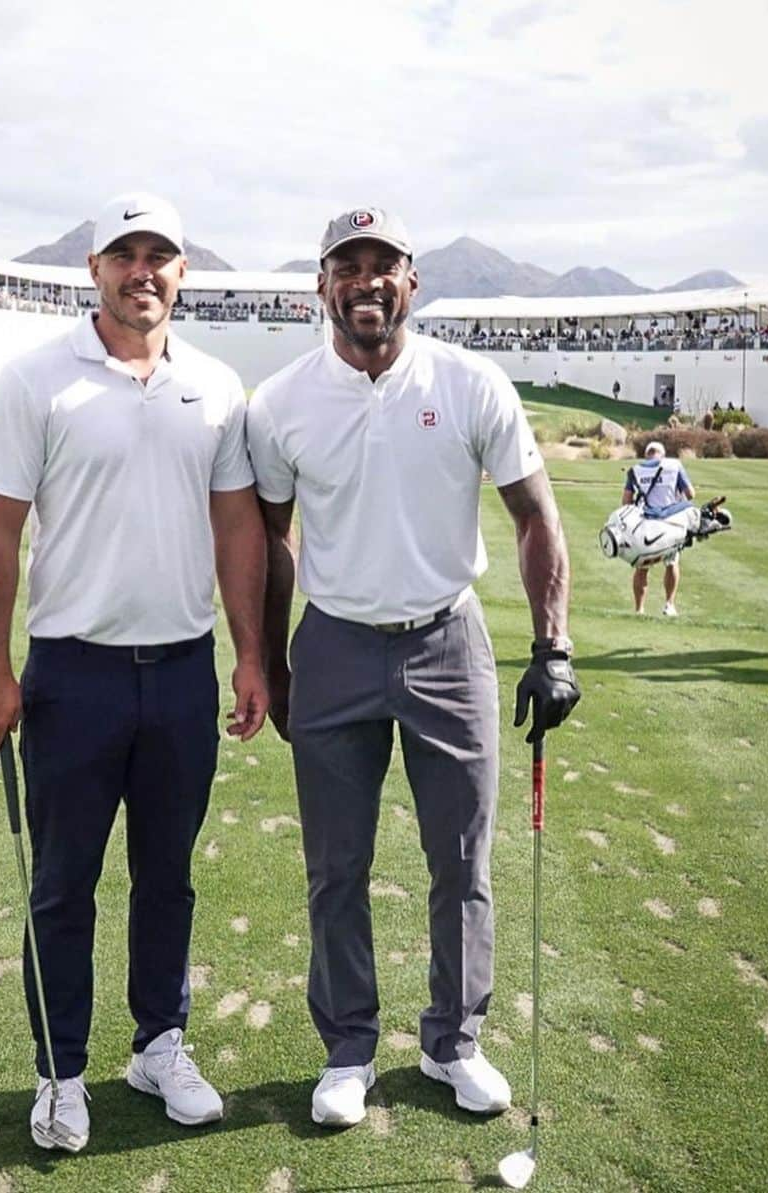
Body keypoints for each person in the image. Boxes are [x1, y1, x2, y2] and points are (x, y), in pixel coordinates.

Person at [246, 207, 580, 1129]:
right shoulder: (280, 403)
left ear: (411, 281)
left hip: (448, 642)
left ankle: (452, 1043)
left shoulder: (471, 385)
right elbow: (271, 538)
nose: (365, 281)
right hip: (335, 643)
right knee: (336, 866)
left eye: (382, 264)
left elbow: (536, 516)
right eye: (345, 266)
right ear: (321, 286)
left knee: (464, 861)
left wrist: (552, 644)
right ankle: (348, 1048)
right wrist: (267, 659)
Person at [0, 192, 268, 1153]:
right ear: (93, 267)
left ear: (183, 271)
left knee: (167, 878)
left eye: (162, 255)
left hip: (181, 669)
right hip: (72, 675)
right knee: (63, 883)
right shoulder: (36, 381)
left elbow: (235, 527)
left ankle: (158, 1043)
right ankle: (60, 1073)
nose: (145, 270)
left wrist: (253, 651)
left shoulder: (216, 386)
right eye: (125, 254)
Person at [622, 440, 695, 617]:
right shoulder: (674, 465)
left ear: (647, 454)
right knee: (671, 563)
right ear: (662, 454)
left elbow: (626, 502)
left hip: (646, 523)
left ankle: (639, 609)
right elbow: (690, 494)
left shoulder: (635, 470)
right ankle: (669, 604)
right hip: (670, 523)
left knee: (642, 566)